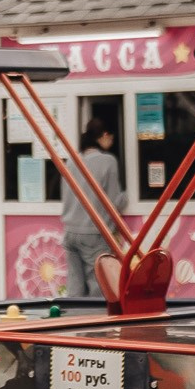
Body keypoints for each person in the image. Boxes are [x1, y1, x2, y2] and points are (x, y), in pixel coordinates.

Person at [61, 116, 126, 299]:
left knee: (75, 289)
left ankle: (75, 325)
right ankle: (96, 326)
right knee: (98, 286)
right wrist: (130, 196)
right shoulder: (108, 161)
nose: (111, 143)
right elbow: (114, 202)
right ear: (105, 136)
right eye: (111, 138)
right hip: (94, 233)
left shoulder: (72, 161)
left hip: (70, 231)